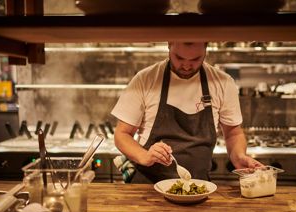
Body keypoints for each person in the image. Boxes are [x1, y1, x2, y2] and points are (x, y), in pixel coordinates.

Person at [111, 42, 263, 183]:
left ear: (206, 48)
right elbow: (122, 134)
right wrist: (144, 156)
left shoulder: (222, 82)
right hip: (148, 187)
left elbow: (233, 133)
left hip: (198, 187)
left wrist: (239, 156)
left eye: (196, 59)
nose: (186, 65)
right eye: (179, 58)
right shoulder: (146, 79)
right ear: (169, 45)